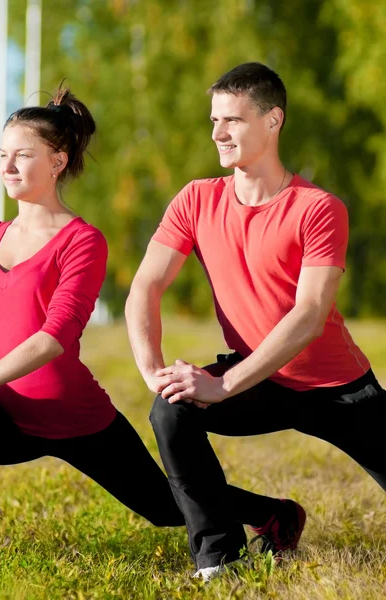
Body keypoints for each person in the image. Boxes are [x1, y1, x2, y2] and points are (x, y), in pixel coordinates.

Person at [0, 86, 184, 576]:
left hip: (72, 418)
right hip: (2, 419)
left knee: (165, 508)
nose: (8, 166)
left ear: (58, 161)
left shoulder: (83, 240)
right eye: (3, 155)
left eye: (23, 156)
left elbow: (54, 337)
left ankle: (272, 514)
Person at [125, 62, 386, 582]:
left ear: (273, 121)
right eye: (214, 120)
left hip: (335, 387)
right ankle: (220, 559)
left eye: (233, 120)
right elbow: (145, 288)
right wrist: (153, 369)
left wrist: (224, 384)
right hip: (257, 378)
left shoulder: (318, 208)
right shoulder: (197, 199)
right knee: (171, 410)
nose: (218, 133)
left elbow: (309, 315)